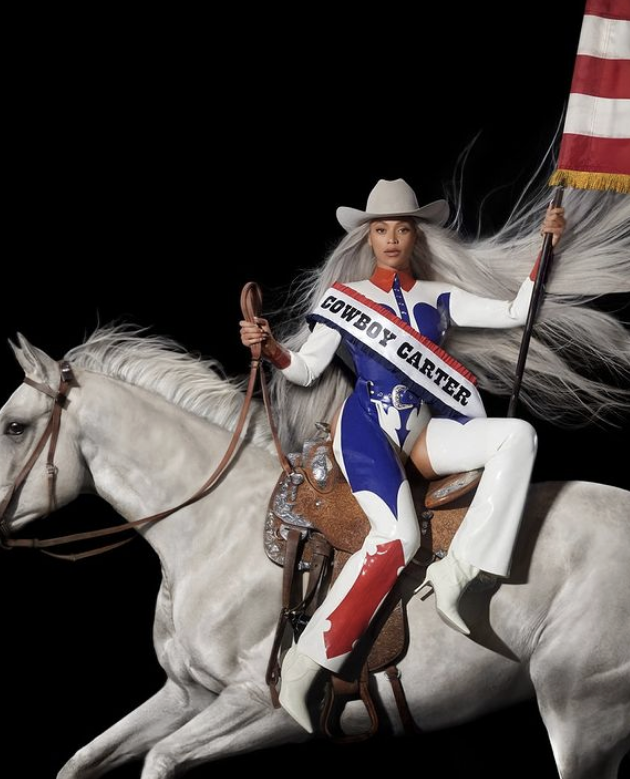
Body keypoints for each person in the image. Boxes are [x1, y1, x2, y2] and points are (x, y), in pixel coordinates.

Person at [240, 178, 565, 732]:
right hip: (365, 429)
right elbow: (307, 368)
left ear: (415, 235)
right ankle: (307, 663)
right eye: (383, 229)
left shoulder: (437, 296)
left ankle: (465, 575)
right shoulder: (345, 300)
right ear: (369, 238)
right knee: (398, 538)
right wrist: (269, 347)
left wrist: (546, 247)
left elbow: (516, 311)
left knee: (517, 436)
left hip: (421, 432)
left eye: (403, 228)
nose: (392, 238)